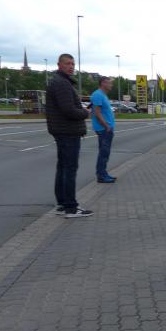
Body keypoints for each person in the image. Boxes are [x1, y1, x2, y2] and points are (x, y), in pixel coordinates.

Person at [45, 53, 93, 218]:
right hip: (68, 131)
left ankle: (62, 204)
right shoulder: (62, 83)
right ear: (59, 65)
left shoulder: (59, 81)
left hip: (62, 130)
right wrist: (85, 113)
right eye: (67, 63)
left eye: (72, 64)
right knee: (69, 169)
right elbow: (68, 110)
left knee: (62, 167)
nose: (71, 67)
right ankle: (71, 207)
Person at [90, 76, 116, 183]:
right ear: (103, 83)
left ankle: (103, 173)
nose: (111, 85)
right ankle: (101, 175)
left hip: (106, 128)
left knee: (105, 153)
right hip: (103, 129)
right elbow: (97, 113)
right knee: (104, 153)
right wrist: (106, 126)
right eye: (109, 83)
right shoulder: (98, 95)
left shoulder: (103, 95)